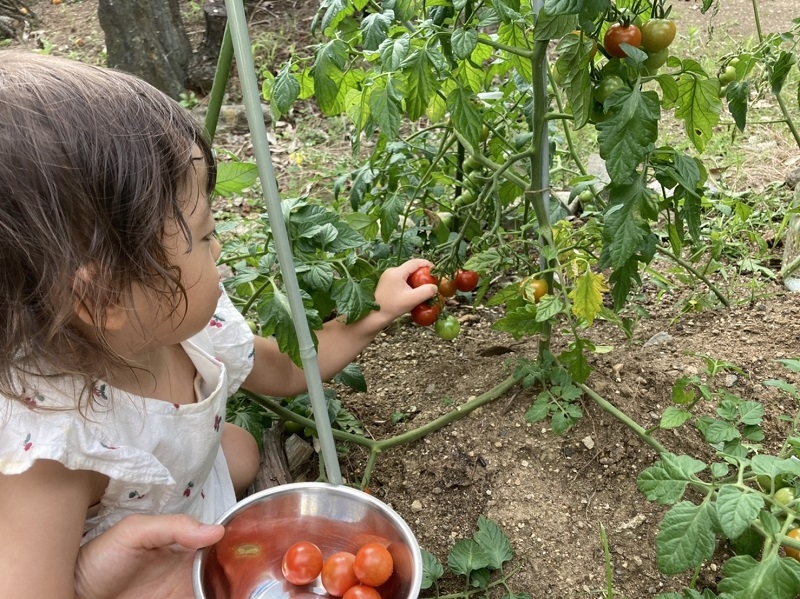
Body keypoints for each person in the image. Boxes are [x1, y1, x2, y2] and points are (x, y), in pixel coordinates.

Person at [0, 51, 438, 599]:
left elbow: (284, 370)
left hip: (186, 493)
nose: (221, 248)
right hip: (136, 563)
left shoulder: (179, 322)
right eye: (205, 236)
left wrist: (377, 313)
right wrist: (88, 581)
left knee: (241, 453)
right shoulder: (55, 453)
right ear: (107, 295)